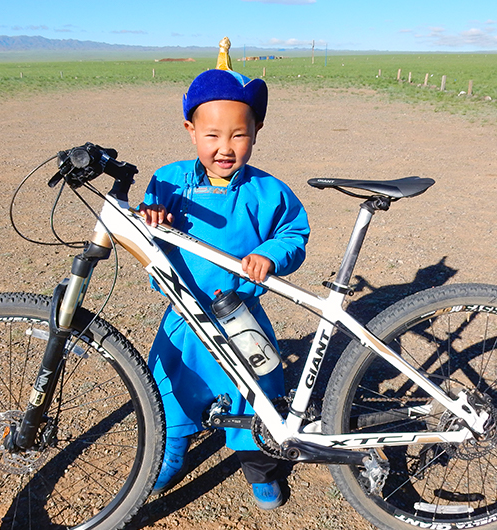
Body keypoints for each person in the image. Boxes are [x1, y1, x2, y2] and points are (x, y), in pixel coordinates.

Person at [139, 43, 310, 510]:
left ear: (256, 131)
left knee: (256, 401)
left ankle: (261, 471)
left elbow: (295, 231)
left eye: (239, 134)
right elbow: (144, 232)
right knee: (169, 396)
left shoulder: (268, 190)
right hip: (184, 320)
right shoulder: (169, 182)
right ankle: (165, 463)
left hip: (240, 319)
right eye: (212, 135)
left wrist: (270, 254)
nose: (225, 147)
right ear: (191, 130)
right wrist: (149, 216)